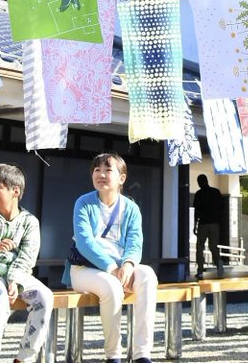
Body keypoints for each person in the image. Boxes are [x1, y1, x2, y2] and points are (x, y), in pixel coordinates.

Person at [64, 153, 156, 363]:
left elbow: (135, 241)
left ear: (121, 178)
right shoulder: (83, 203)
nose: (101, 175)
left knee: (148, 275)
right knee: (112, 287)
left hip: (120, 268)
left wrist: (129, 264)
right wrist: (112, 268)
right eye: (97, 170)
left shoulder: (131, 208)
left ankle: (142, 354)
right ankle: (113, 355)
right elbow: (84, 242)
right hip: (84, 270)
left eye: (108, 170)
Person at [0, 164, 53, 363]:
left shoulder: (30, 222)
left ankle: (24, 358)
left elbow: (27, 259)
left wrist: (15, 281)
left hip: (16, 277)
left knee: (45, 296)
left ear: (15, 191)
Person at [192, 174, 224, 278]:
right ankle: (219, 263)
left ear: (199, 182)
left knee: (200, 247)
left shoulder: (199, 194)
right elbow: (221, 208)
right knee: (213, 246)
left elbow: (196, 211)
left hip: (203, 224)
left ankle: (200, 271)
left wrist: (195, 225)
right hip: (215, 224)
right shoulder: (216, 192)